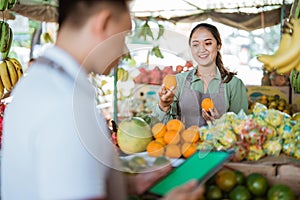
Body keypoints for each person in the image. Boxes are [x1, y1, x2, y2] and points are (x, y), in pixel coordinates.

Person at [1, 1, 204, 200]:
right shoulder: (65, 107)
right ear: (104, 23)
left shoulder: (41, 82)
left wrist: (130, 185)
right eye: (124, 35)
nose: (124, 50)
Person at [155, 23, 248, 128]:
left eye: (208, 43)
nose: (201, 49)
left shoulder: (234, 84)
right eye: (195, 45)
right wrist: (163, 106)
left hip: (219, 144)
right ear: (191, 48)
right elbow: (162, 128)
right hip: (185, 143)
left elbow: (243, 128)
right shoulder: (178, 81)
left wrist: (220, 123)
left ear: (218, 46)